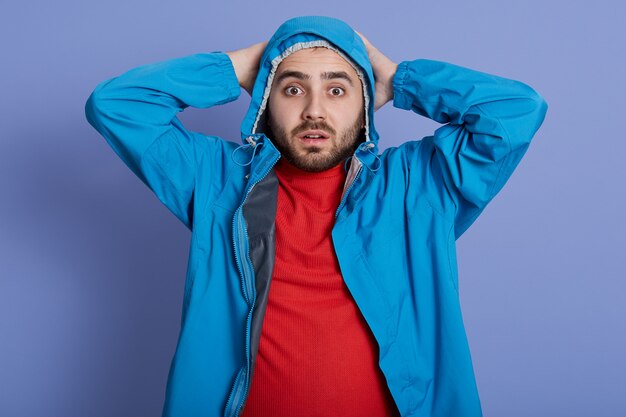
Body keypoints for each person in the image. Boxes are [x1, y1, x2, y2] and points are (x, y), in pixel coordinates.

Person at [85, 15, 547, 417]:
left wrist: (398, 80)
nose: (314, 110)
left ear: (365, 104)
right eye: (291, 88)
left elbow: (515, 112)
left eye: (337, 89)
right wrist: (238, 67)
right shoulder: (217, 180)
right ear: (265, 103)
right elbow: (115, 105)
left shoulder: (417, 186)